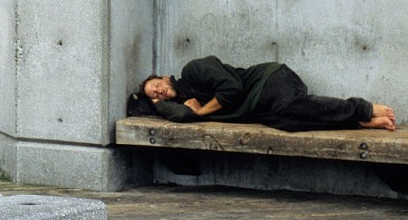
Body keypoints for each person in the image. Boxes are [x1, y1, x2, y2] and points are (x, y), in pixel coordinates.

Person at [129, 56, 396, 131]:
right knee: (288, 123)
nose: (160, 92)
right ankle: (358, 122)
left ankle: (363, 108)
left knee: (290, 105)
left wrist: (201, 111)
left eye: (156, 85)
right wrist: (158, 105)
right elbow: (180, 115)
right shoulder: (185, 105)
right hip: (261, 108)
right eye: (156, 96)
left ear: (164, 77)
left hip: (269, 80)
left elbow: (232, 88)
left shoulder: (193, 70)